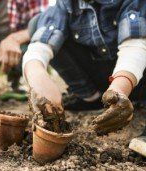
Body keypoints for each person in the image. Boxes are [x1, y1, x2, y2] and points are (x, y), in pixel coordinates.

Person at [23, 0, 146, 154]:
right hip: (101, 80)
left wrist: (119, 88)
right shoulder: (65, 4)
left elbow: (135, 47)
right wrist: (38, 76)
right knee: (37, 24)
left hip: (136, 80)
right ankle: (90, 97)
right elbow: (39, 46)